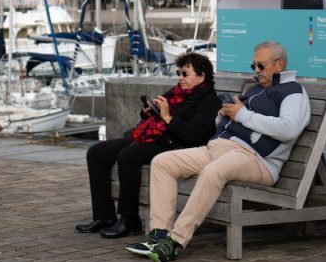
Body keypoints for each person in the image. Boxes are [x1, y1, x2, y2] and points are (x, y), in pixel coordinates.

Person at [126, 40, 310, 262]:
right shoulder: (256, 90)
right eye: (253, 66)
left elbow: (288, 129)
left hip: (256, 159)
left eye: (260, 67)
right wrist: (224, 114)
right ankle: (159, 234)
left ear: (279, 65)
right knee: (163, 162)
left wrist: (242, 115)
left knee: (213, 172)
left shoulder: (292, 92)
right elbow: (229, 120)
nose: (256, 72)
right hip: (219, 147)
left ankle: (175, 241)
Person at [75, 51, 221, 240]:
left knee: (129, 155)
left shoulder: (210, 102)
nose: (181, 78)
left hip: (177, 146)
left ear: (201, 76)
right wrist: (149, 111)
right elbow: (159, 116)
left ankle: (130, 219)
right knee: (97, 152)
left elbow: (195, 136)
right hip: (156, 136)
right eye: (179, 73)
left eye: (185, 74)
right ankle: (104, 216)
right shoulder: (178, 92)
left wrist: (168, 117)